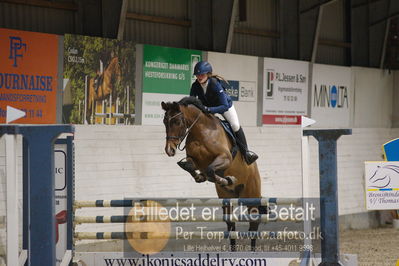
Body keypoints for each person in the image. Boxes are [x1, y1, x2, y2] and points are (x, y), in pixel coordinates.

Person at [190, 61, 258, 165]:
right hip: (207, 108)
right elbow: (192, 101)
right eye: (197, 75)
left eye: (202, 74)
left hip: (224, 107)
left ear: (208, 74)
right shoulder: (195, 86)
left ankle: (246, 153)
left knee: (235, 125)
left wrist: (209, 110)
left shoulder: (215, 84)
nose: (199, 77)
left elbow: (224, 106)